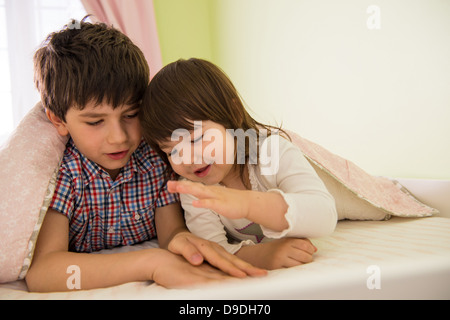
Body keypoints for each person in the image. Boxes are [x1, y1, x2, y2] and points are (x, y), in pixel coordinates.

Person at [26, 20, 265, 293]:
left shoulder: (153, 159)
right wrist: (150, 263)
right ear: (59, 121)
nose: (119, 137)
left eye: (130, 115)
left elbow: (172, 233)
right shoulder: (66, 175)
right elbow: (42, 273)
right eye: (95, 122)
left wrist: (182, 241)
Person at [140, 58, 338, 270]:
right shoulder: (193, 189)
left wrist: (248, 204)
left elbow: (325, 215)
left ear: (232, 114)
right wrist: (264, 255)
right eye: (173, 151)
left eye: (196, 139)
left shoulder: (271, 153)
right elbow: (213, 249)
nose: (187, 160)